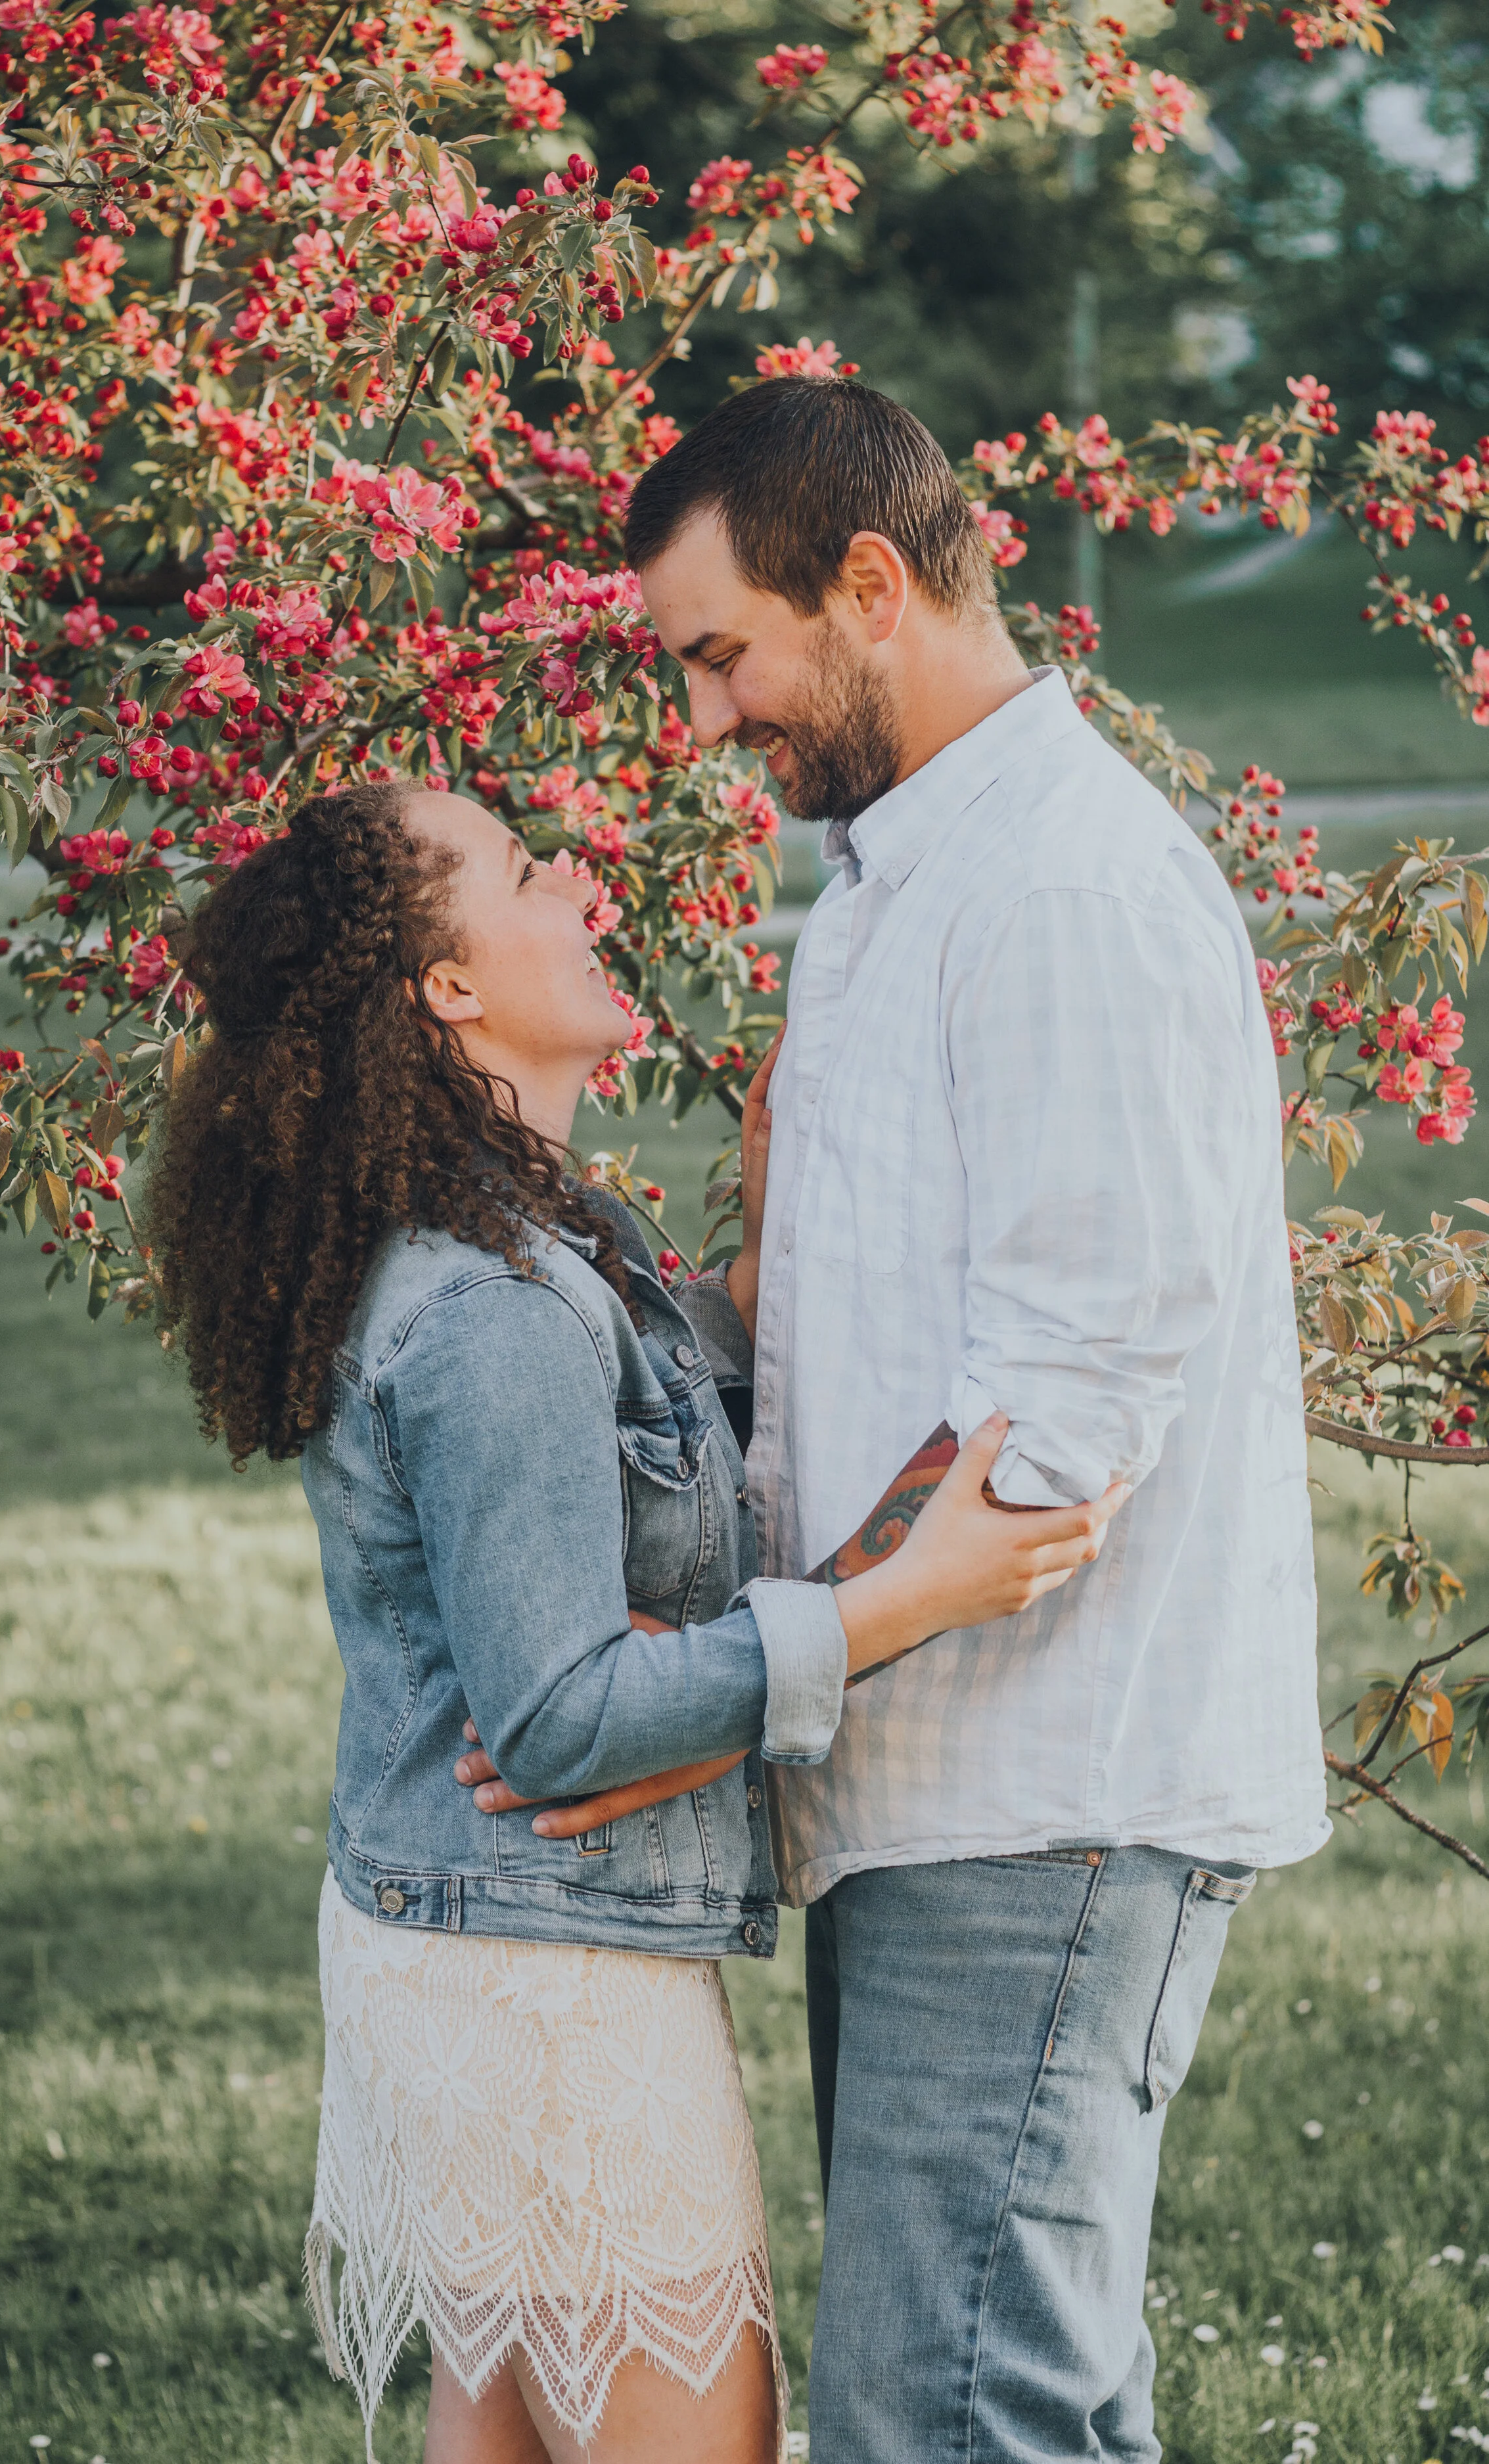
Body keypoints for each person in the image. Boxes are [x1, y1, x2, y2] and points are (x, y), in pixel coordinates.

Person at [490, 374, 1328, 2462]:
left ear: (869, 585)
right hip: (929, 1781)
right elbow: (845, 1341)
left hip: (1046, 1782)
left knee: (951, 2416)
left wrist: (710, 1686)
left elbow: (1052, 1430)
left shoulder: (1055, 889)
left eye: (719, 655)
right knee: (1002, 2399)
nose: (698, 719)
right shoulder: (893, 885)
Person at [143, 777, 1123, 2464]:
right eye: (526, 871)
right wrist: (904, 1603)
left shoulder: (533, 1237)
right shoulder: (492, 1307)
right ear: (444, 985)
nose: (581, 877)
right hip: (540, 1988)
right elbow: (559, 1721)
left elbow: (655, 1454)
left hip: (486, 1944)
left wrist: (769, 1220)